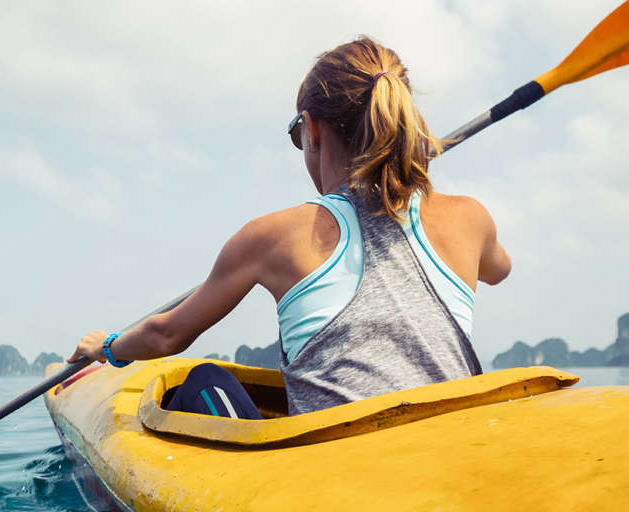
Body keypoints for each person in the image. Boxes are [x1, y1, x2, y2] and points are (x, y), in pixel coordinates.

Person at [68, 36, 511, 418]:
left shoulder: (272, 237)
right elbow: (498, 270)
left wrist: (105, 348)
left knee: (202, 379)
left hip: (339, 470)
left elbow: (166, 334)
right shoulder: (470, 218)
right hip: (455, 445)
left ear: (312, 129)